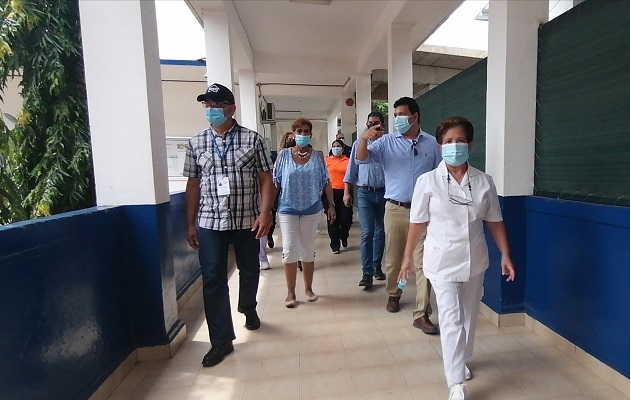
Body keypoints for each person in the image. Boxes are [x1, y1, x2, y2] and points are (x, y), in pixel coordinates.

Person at [399, 116, 516, 400]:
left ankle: (461, 360)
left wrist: (506, 254)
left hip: (475, 259)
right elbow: (417, 223)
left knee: (469, 318)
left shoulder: (484, 181)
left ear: (471, 144)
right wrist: (406, 259)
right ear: (439, 146)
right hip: (441, 261)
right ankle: (455, 383)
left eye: (460, 140)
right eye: (448, 141)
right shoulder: (427, 182)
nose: (455, 146)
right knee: (451, 319)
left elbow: (494, 220)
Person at [183, 83, 274, 367]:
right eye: (206, 106)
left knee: (250, 269)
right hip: (210, 221)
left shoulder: (253, 140)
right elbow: (193, 184)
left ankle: (248, 307)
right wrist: (190, 223)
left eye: (217, 105)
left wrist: (265, 213)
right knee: (212, 279)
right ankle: (221, 341)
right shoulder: (195, 142)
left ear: (231, 108)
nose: (210, 110)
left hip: (247, 218)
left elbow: (265, 180)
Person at [356, 96, 441, 334]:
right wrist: (364, 138)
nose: (398, 120)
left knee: (423, 263)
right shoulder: (385, 142)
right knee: (394, 259)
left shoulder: (432, 144)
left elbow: (440, 174)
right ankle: (395, 292)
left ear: (415, 116)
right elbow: (361, 158)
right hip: (395, 209)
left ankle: (422, 313)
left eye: (401, 115)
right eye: (395, 116)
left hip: (424, 211)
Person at [273, 118, 335, 308]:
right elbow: (276, 182)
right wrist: (268, 209)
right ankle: (291, 292)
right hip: (287, 208)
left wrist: (330, 205)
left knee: (307, 248)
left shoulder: (318, 156)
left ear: (310, 134)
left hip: (312, 208)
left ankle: (308, 289)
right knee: (290, 249)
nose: (302, 134)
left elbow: (326, 182)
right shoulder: (283, 155)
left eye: (305, 131)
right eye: (298, 131)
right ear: (293, 134)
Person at [343, 111, 387, 287]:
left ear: (382, 124)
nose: (373, 126)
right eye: (370, 123)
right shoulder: (358, 144)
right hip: (364, 193)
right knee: (367, 232)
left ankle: (377, 267)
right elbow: (351, 169)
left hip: (384, 193)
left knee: (380, 232)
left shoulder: (387, 144)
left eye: (376, 123)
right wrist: (347, 191)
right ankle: (366, 272)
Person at [325, 139, 353, 253]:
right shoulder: (326, 160)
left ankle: (344, 235)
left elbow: (352, 176)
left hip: (345, 192)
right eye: (334, 146)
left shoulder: (348, 161)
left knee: (346, 218)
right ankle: (335, 244)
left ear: (342, 148)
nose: (336, 148)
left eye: (338, 146)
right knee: (332, 218)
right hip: (330, 192)